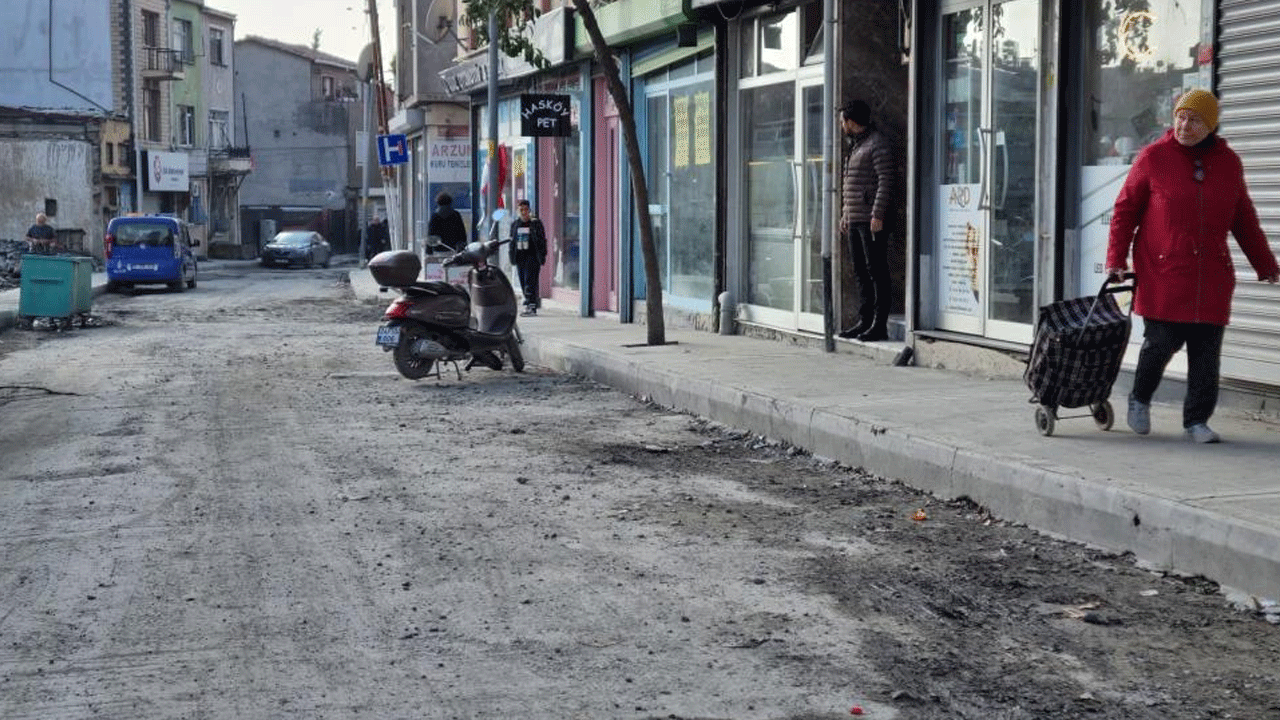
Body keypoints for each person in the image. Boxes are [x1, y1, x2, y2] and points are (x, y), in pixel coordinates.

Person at [1105, 88, 1280, 444]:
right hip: (1164, 271)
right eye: (1181, 117)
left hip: (1212, 274)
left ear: (1211, 125)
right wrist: (1115, 259)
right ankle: (1140, 398)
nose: (1185, 125)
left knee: (1206, 354)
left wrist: (1265, 264)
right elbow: (1124, 211)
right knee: (1159, 344)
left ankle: (1197, 420)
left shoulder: (1228, 163)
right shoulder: (1153, 157)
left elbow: (1243, 219)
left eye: (1195, 120)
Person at [837, 100, 897, 342]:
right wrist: (846, 212)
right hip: (855, 218)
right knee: (860, 271)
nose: (841, 126)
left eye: (842, 121)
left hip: (870, 220)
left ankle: (879, 324)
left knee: (876, 271)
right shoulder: (857, 145)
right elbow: (850, 183)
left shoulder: (876, 144)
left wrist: (877, 214)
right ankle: (864, 320)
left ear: (851, 121)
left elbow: (886, 180)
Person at [509, 199, 547, 316]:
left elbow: (542, 240)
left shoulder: (535, 224)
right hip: (520, 256)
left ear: (529, 210)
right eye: (521, 210)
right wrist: (512, 256)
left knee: (530, 281)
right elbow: (512, 242)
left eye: (526, 209)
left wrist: (542, 255)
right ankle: (528, 303)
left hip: (532, 256)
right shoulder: (515, 224)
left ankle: (531, 305)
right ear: (518, 211)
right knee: (522, 281)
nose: (524, 212)